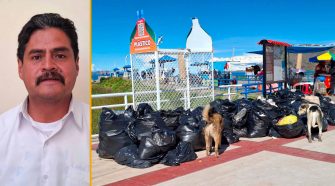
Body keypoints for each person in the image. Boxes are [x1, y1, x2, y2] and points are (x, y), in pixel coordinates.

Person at [0, 13, 89, 185]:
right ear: (20, 68)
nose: (48, 65)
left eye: (60, 55)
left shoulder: (98, 131)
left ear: (77, 64)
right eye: (37, 57)